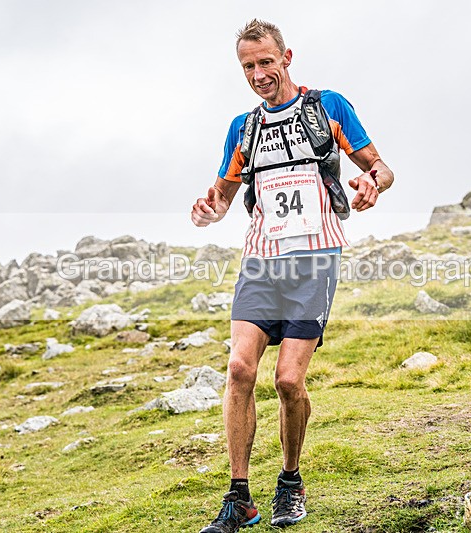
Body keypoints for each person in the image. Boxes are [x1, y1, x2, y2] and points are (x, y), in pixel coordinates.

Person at [190, 19, 394, 532]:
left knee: (287, 380)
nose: (259, 74)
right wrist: (207, 209)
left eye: (266, 62)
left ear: (286, 57)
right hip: (262, 260)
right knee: (239, 369)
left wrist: (373, 184)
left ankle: (289, 481)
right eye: (248, 67)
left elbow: (381, 168)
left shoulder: (329, 107)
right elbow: (223, 195)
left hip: (316, 259)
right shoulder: (244, 128)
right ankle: (240, 498)